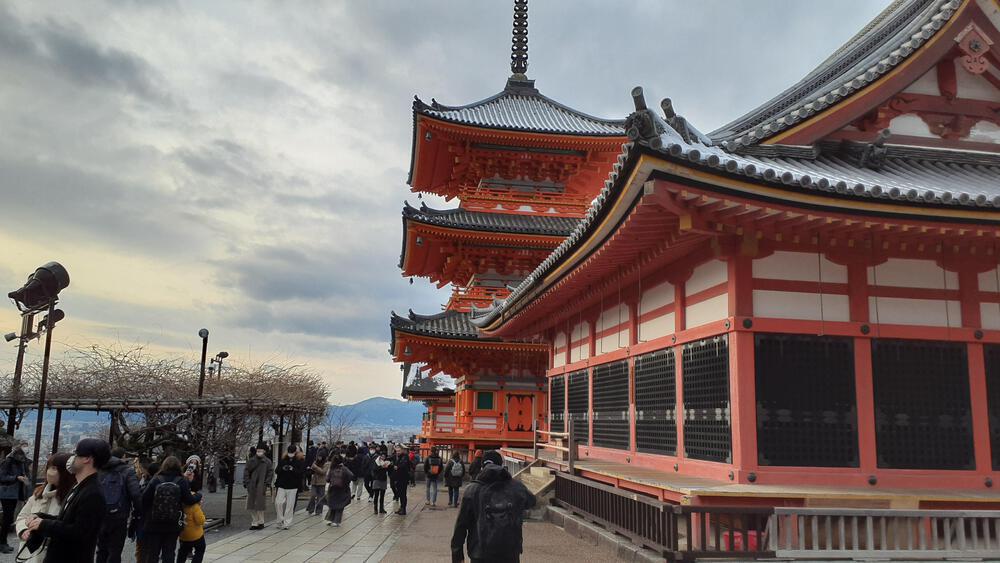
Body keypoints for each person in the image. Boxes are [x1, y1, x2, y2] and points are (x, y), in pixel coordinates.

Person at [24, 438, 111, 563]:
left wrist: (44, 524)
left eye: (76, 454)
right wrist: (40, 517)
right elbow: (66, 521)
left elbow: (80, 532)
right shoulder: (80, 486)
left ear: (87, 459)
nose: (72, 458)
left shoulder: (93, 493)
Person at [451, 450, 536, 563]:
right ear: (501, 465)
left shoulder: (472, 490)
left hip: (480, 552)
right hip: (509, 552)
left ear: (482, 466)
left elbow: (461, 525)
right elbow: (531, 502)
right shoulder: (516, 487)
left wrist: (457, 555)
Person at [14, 452, 75, 563]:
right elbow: (22, 516)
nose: (49, 472)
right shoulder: (38, 493)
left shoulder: (72, 497)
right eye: (49, 467)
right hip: (28, 552)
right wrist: (23, 530)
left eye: (54, 468)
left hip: (53, 554)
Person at [140, 456, 202, 563]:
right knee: (169, 552)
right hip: (173, 522)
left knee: (153, 553)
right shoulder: (181, 481)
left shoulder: (156, 479)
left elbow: (144, 498)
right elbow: (189, 500)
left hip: (154, 522)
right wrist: (198, 495)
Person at [96, 447, 143, 563]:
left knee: (101, 549)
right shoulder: (127, 471)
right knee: (115, 550)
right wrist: (138, 512)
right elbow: (136, 494)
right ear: (122, 457)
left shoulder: (99, 468)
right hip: (119, 515)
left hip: (100, 514)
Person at [0, 445, 31, 554]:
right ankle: (2, 542)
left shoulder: (22, 462)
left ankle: (3, 541)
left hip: (16, 493)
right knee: (7, 517)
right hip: (7, 493)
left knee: (9, 517)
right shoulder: (9, 461)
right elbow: (2, 477)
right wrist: (16, 478)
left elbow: (26, 475)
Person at [273, 445, 304, 530]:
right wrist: (283, 468)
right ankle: (280, 520)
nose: (290, 454)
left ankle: (287, 523)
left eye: (292, 452)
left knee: (290, 505)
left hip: (293, 486)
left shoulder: (299, 461)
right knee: (278, 503)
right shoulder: (283, 460)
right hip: (282, 484)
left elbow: (301, 473)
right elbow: (277, 470)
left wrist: (292, 469)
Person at [243, 445, 272, 530]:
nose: (259, 452)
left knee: (260, 505)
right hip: (251, 484)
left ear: (264, 451)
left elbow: (270, 472)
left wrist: (267, 483)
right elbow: (246, 471)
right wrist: (247, 482)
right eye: (258, 450)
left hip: (261, 484)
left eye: (261, 450)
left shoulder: (267, 461)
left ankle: (260, 522)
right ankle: (254, 522)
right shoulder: (251, 460)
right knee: (251, 504)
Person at [324, 455, 354, 527]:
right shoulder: (344, 468)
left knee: (332, 504)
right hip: (342, 489)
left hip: (332, 489)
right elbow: (351, 475)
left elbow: (327, 479)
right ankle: (336, 521)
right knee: (340, 505)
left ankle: (330, 519)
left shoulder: (332, 468)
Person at [176, 496, 205, 563]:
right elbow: (201, 521)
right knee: (200, 549)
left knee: (183, 551)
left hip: (183, 535)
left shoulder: (180, 505)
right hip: (196, 535)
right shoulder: (195, 507)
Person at [390, 445, 411, 516]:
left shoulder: (405, 456)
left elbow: (404, 465)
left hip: (403, 478)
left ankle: (403, 509)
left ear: (402, 450)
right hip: (397, 478)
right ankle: (401, 507)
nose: (397, 452)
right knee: (399, 493)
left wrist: (397, 467)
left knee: (403, 494)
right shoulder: (395, 456)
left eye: (399, 451)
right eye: (397, 451)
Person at [370, 448, 391, 515]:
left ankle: (381, 508)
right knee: (376, 495)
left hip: (383, 479)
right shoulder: (376, 461)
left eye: (384, 456)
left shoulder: (386, 462)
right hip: (377, 479)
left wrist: (388, 466)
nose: (383, 457)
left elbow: (388, 470)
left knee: (382, 495)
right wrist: (381, 467)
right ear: (380, 456)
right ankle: (375, 509)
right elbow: (374, 469)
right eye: (382, 456)